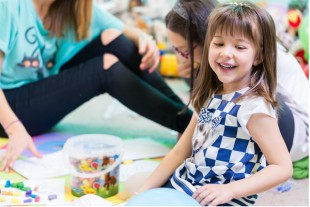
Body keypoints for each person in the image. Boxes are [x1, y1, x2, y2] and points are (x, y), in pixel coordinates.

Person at [0, 0, 193, 171]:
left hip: (36, 91)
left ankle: (187, 119)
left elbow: (124, 31)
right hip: (9, 111)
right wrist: (14, 128)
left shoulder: (70, 6)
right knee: (105, 67)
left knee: (113, 38)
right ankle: (189, 125)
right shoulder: (8, 6)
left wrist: (145, 40)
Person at [138, 1, 293, 205]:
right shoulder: (208, 94)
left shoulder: (253, 107)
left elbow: (282, 167)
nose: (226, 52)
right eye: (218, 44)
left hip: (221, 199)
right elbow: (179, 152)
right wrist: (142, 192)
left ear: (259, 56)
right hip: (188, 184)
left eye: (239, 47)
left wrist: (230, 190)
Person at [165, 0, 309, 162]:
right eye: (176, 50)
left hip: (296, 136)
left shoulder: (253, 57)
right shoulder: (229, 57)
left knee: (234, 98)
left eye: (184, 52)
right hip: (278, 122)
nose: (180, 58)